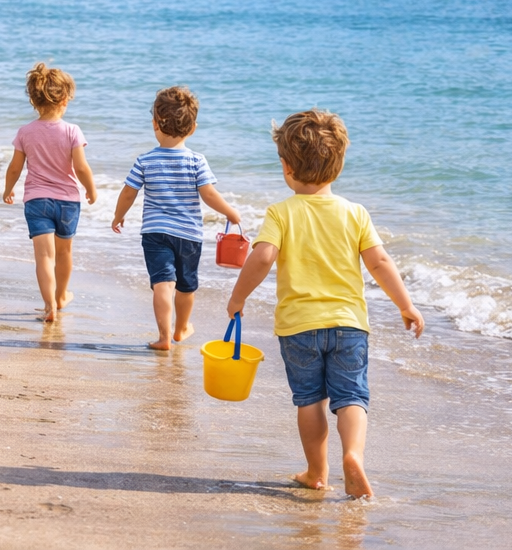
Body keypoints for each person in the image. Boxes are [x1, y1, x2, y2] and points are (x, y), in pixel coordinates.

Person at [225, 109, 424, 500]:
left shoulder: (281, 213)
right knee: (352, 396)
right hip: (349, 325)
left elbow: (263, 257)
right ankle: (353, 455)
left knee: (310, 400)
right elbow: (380, 262)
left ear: (286, 166)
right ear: (340, 164)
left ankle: (317, 472)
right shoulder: (355, 213)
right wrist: (406, 304)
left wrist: (238, 297)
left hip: (299, 327)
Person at [112, 86, 242, 350]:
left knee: (162, 282)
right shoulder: (196, 161)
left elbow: (129, 193)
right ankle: (181, 328)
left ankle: (163, 338)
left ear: (155, 124)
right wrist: (230, 212)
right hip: (189, 235)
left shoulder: (145, 160)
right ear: (192, 128)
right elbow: (208, 194)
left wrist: (118, 215)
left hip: (155, 232)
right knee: (186, 286)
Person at [2, 63, 96, 322]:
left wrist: (8, 189)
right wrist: (91, 189)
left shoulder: (25, 132)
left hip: (36, 200)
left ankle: (49, 306)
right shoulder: (72, 131)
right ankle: (61, 295)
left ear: (34, 100)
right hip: (67, 202)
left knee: (44, 256)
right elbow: (81, 166)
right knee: (64, 253)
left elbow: (14, 168)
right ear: (65, 100)